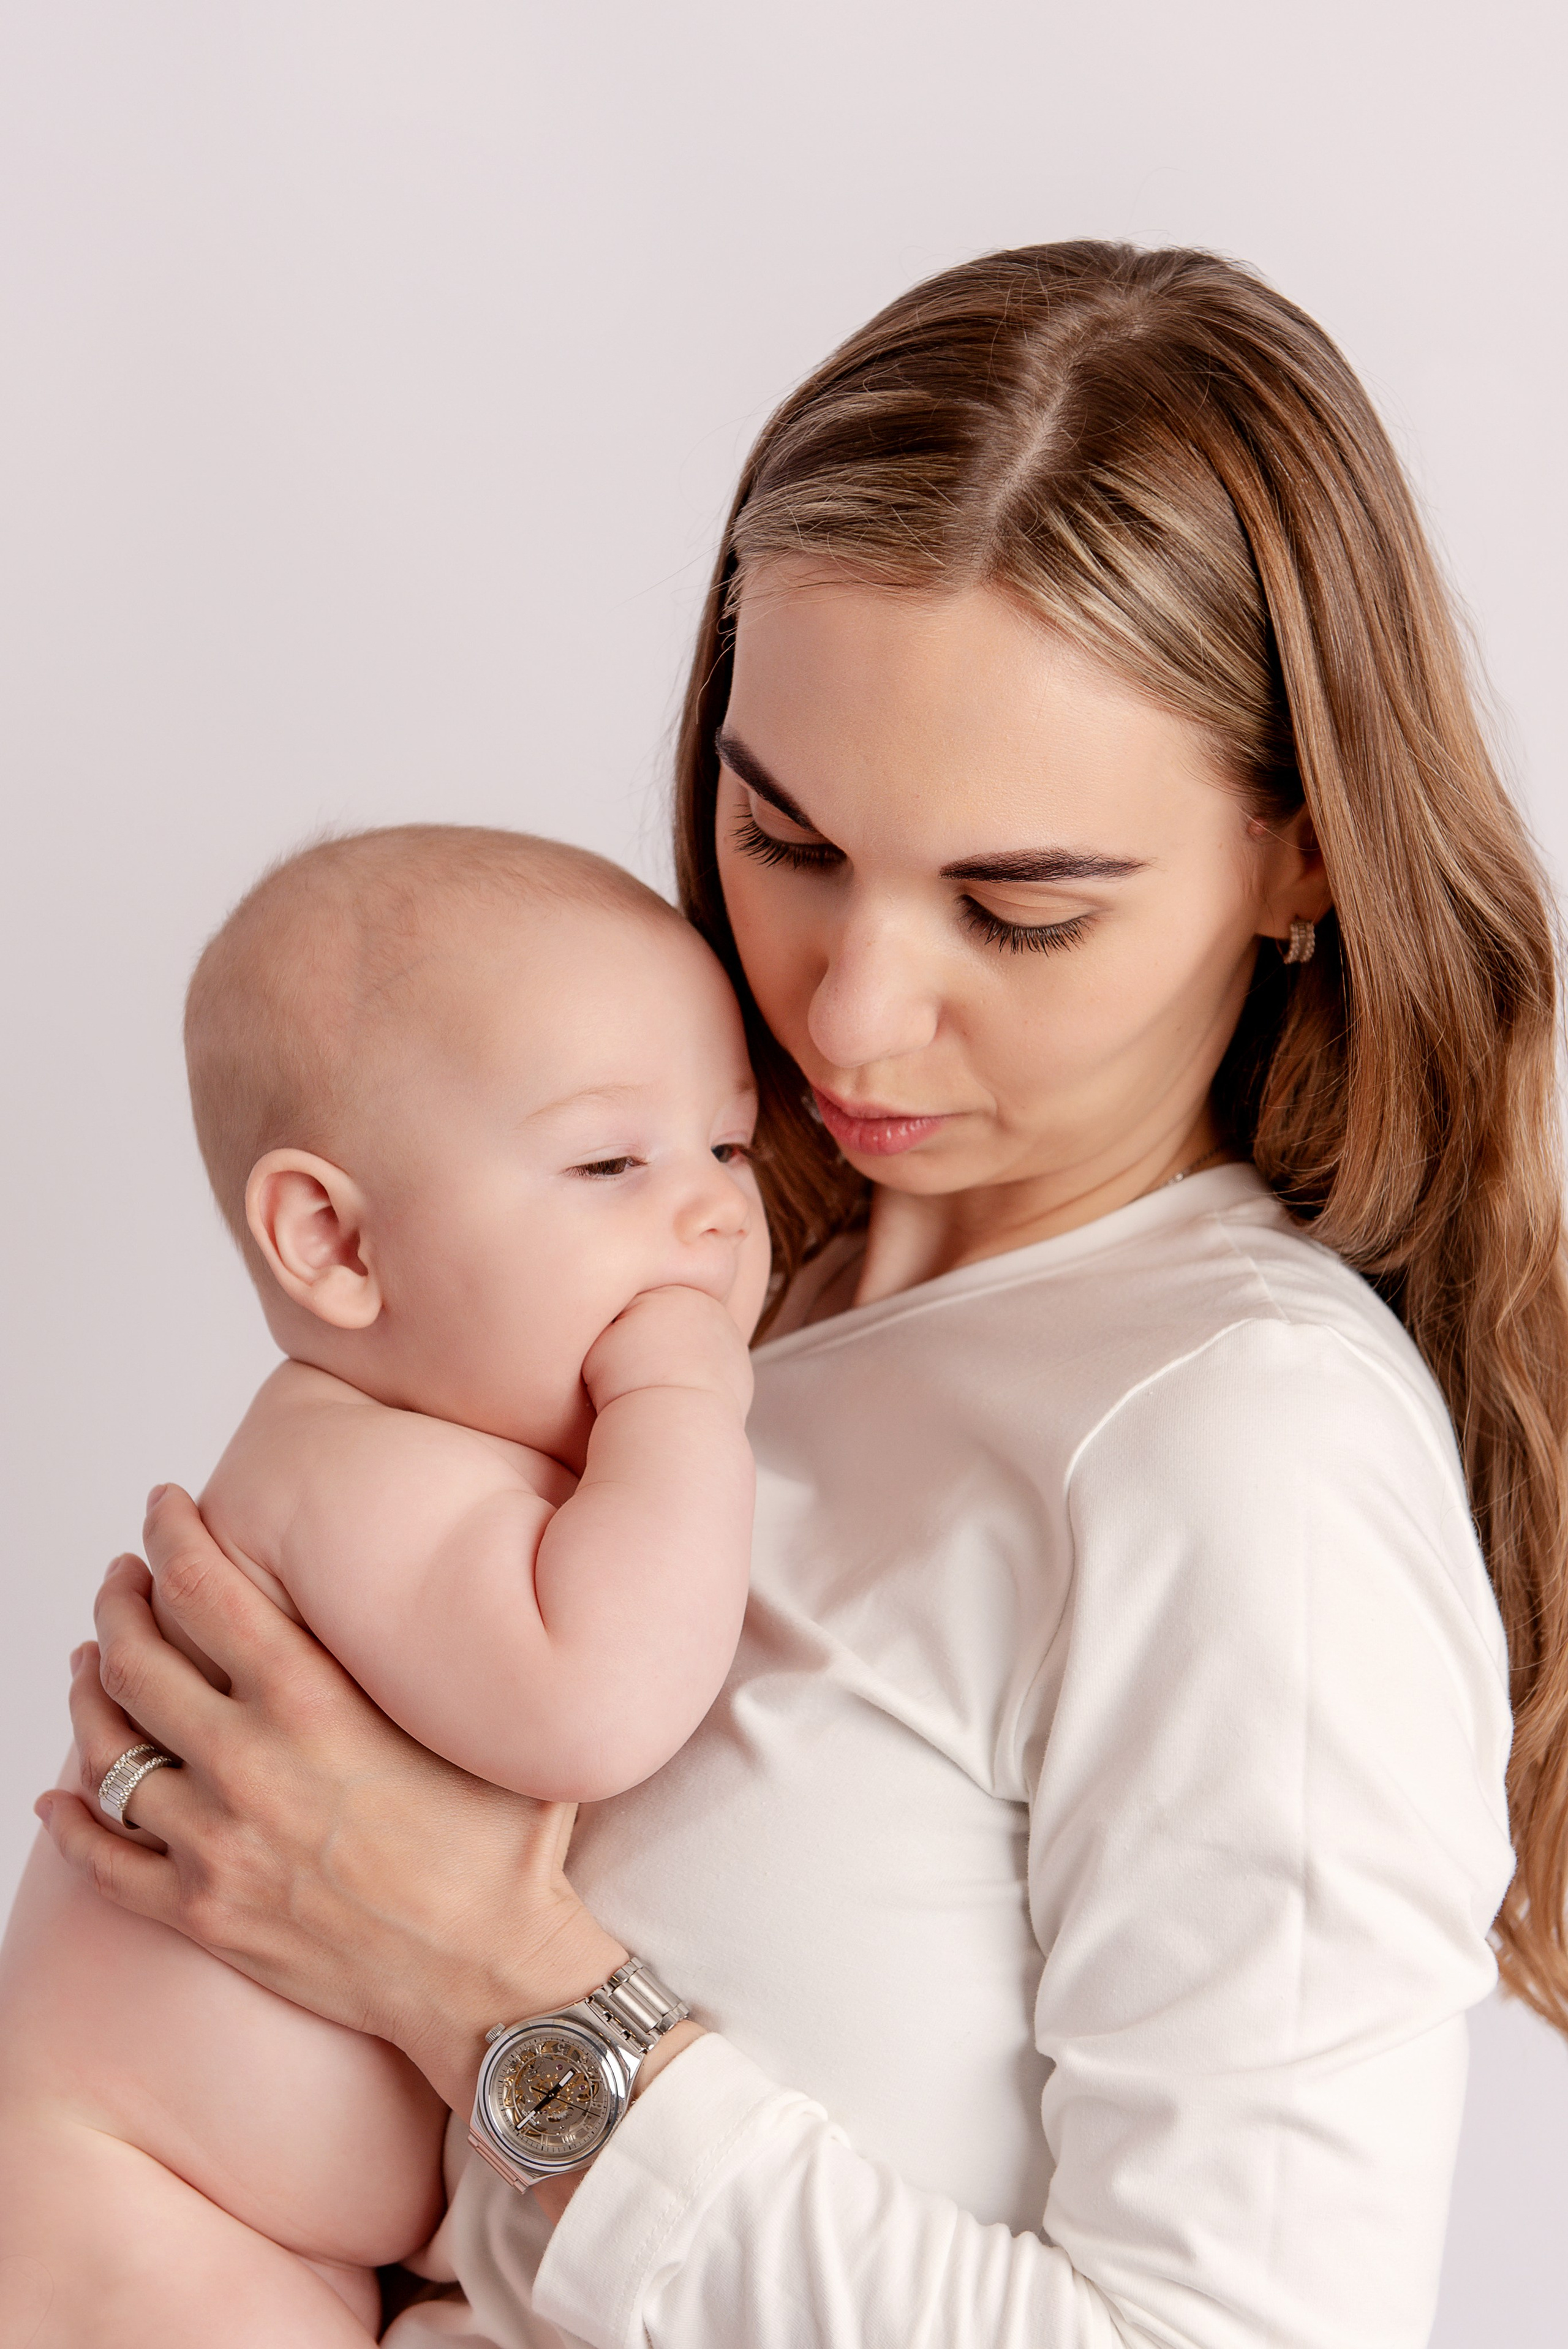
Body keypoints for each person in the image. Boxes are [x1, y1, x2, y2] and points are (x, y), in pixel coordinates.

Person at [19, 241, 1568, 2349]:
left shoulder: (1240, 1452)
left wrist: (479, 1980)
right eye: (787, 837)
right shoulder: (711, 1260)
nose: (847, 1009)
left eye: (1019, 909)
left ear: (1302, 858)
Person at [0, 826, 766, 2340]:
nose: (715, 1214)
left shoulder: (467, 1456)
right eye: (612, 1160)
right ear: (333, 1241)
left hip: (287, 2243)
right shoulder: (347, 1469)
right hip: (144, 2210)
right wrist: (685, 1402)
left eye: (729, 1145)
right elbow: (601, 1699)